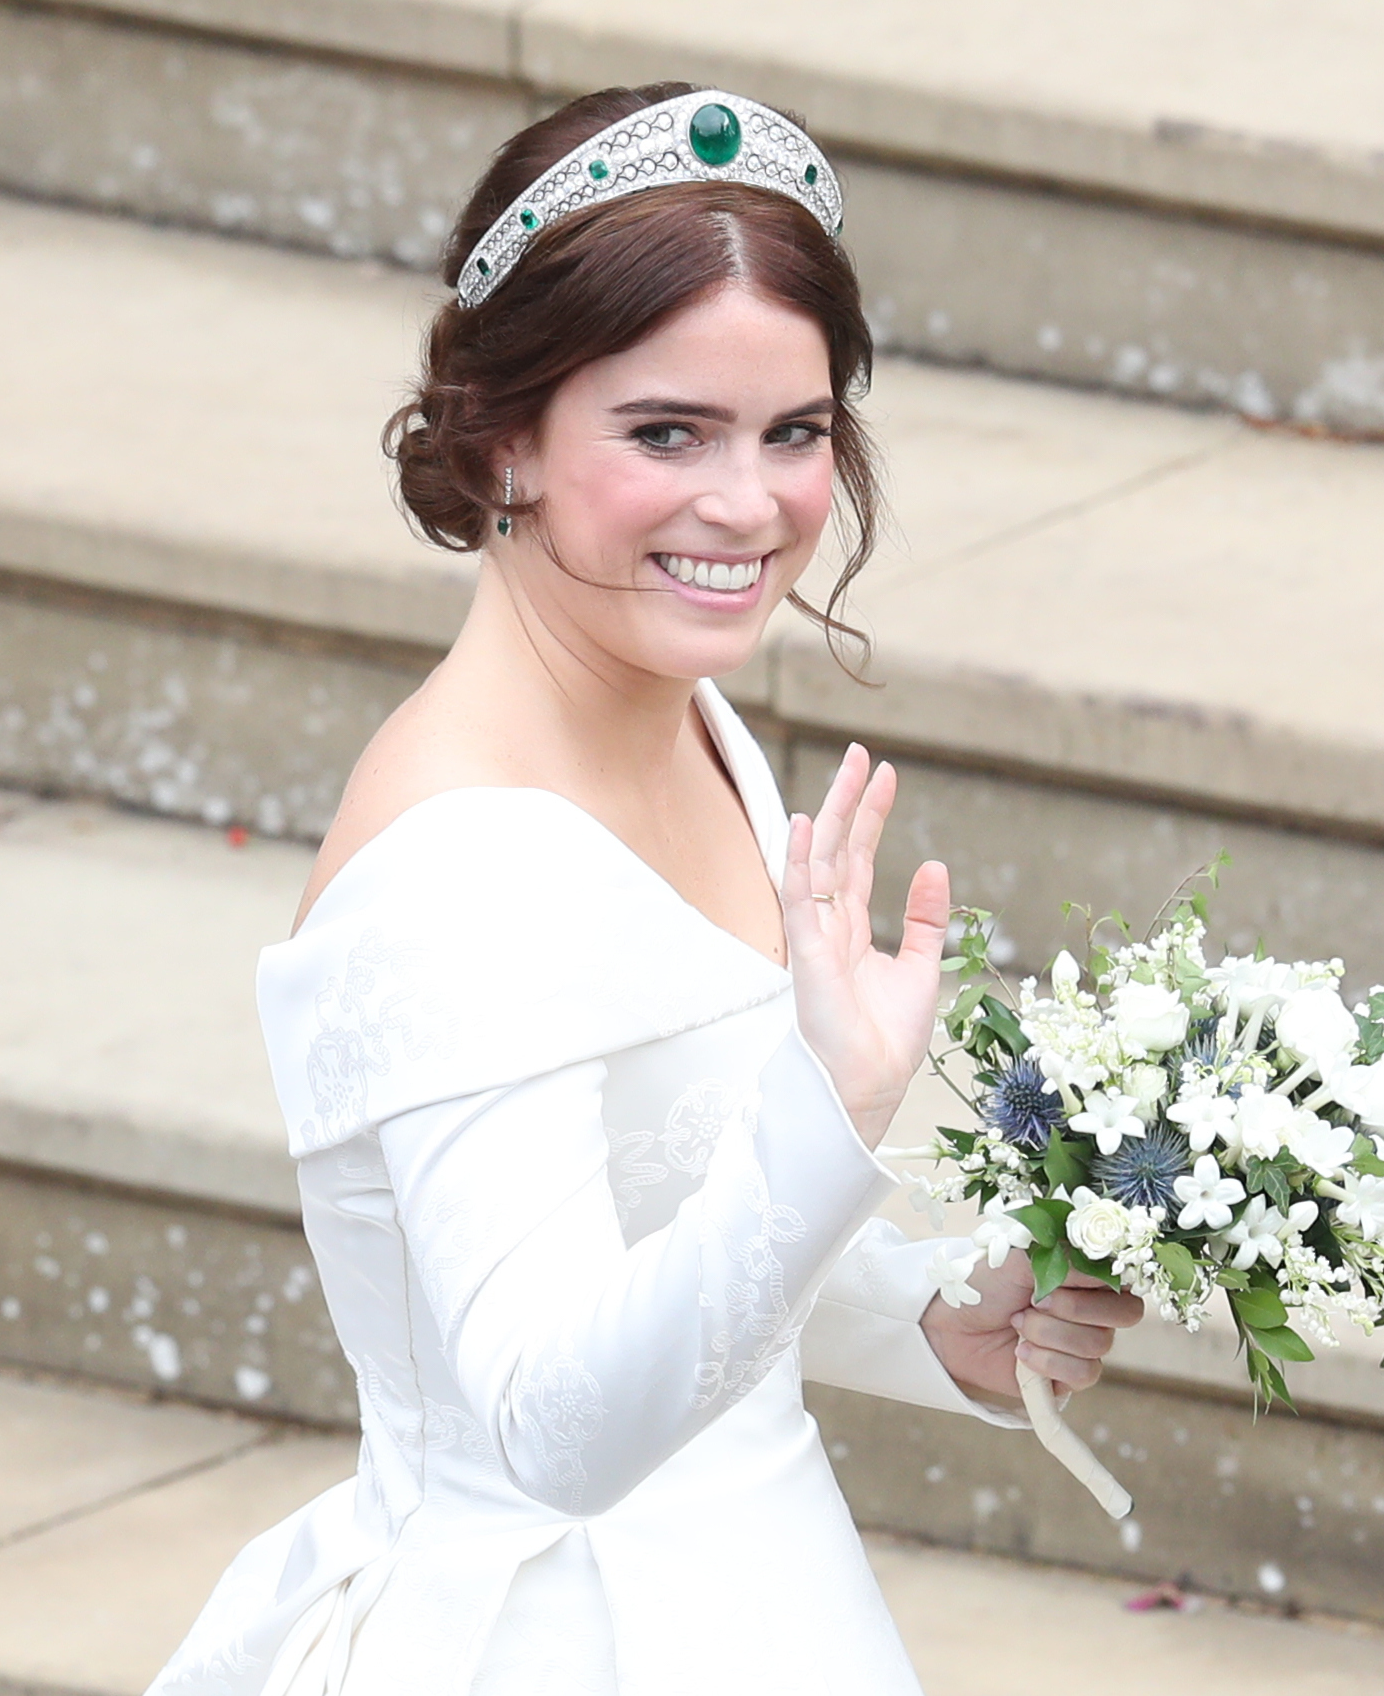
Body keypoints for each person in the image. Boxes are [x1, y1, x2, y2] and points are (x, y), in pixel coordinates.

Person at [148, 83, 1143, 1695]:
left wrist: (927, 1314)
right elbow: (550, 1420)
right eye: (664, 431)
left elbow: (658, 1207)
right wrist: (830, 1107)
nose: (747, 506)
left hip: (763, 1594)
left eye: (794, 432)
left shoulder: (692, 719)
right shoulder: (455, 874)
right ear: (500, 432)